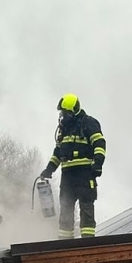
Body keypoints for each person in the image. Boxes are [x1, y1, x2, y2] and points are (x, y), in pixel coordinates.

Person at [38, 94, 106, 238]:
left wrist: (98, 164)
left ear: (73, 111)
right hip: (68, 176)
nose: (63, 116)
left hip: (85, 174)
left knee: (86, 208)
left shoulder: (89, 123)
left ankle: (87, 244)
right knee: (65, 210)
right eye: (61, 113)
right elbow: (58, 152)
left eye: (65, 112)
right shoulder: (64, 129)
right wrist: (49, 169)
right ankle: (65, 244)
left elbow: (99, 144)